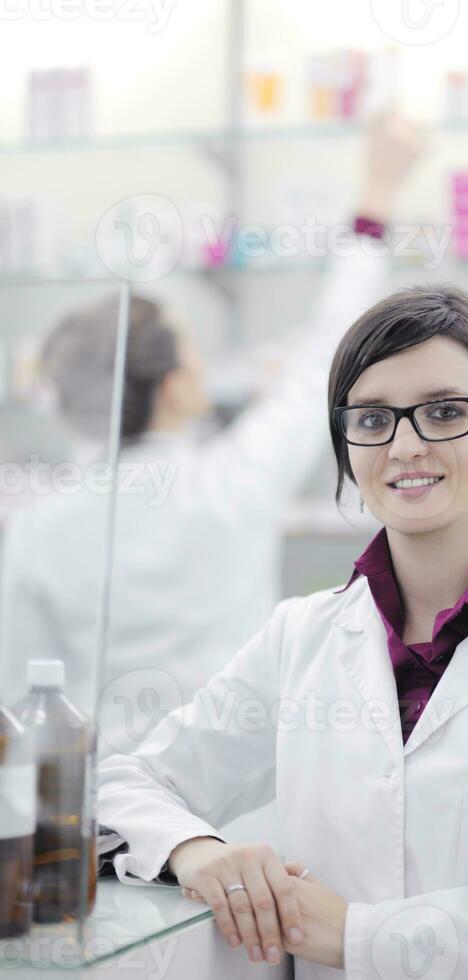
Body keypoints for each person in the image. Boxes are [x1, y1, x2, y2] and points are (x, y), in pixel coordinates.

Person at [97, 285, 468, 979]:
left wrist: (363, 939)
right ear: (347, 448)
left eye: (445, 412)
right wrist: (199, 851)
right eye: (371, 419)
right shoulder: (300, 637)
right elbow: (125, 780)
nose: (406, 445)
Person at [0, 116, 422, 759]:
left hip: (104, 806)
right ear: (172, 389)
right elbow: (327, 353)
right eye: (192, 352)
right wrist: (377, 195)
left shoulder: (38, 527)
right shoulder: (233, 482)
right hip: (237, 808)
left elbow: (21, 702)